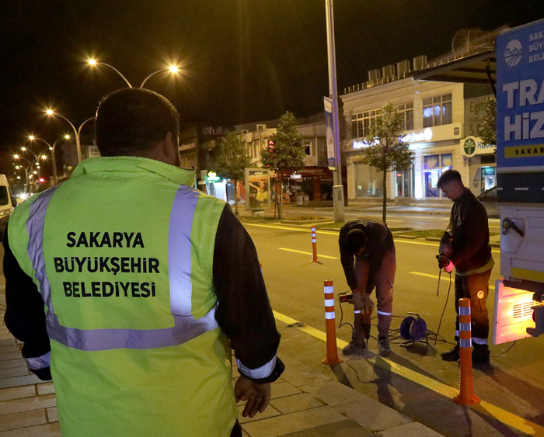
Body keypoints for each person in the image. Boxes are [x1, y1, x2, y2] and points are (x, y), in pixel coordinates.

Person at [3, 88, 283, 437]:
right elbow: (248, 315)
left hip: (89, 423)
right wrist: (258, 375)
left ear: (103, 145)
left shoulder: (32, 218)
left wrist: (47, 365)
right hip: (195, 422)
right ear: (169, 143)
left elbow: (26, 319)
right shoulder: (203, 215)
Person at [436, 169, 494, 364]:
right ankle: (462, 347)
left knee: (477, 311)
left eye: (446, 191)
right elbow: (454, 230)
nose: (445, 195)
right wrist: (446, 243)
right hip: (463, 268)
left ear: (456, 186)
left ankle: (480, 351)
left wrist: (453, 262)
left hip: (477, 268)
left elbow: (474, 243)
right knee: (461, 308)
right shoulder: (458, 205)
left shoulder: (474, 208)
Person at [339, 219, 396, 357]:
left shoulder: (378, 234)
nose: (357, 256)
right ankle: (358, 338)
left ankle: (383, 338)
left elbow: (375, 268)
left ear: (365, 244)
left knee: (384, 296)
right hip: (367, 248)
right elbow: (347, 263)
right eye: (355, 254)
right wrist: (356, 292)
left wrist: (367, 294)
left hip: (384, 252)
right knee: (358, 296)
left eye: (359, 252)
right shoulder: (344, 233)